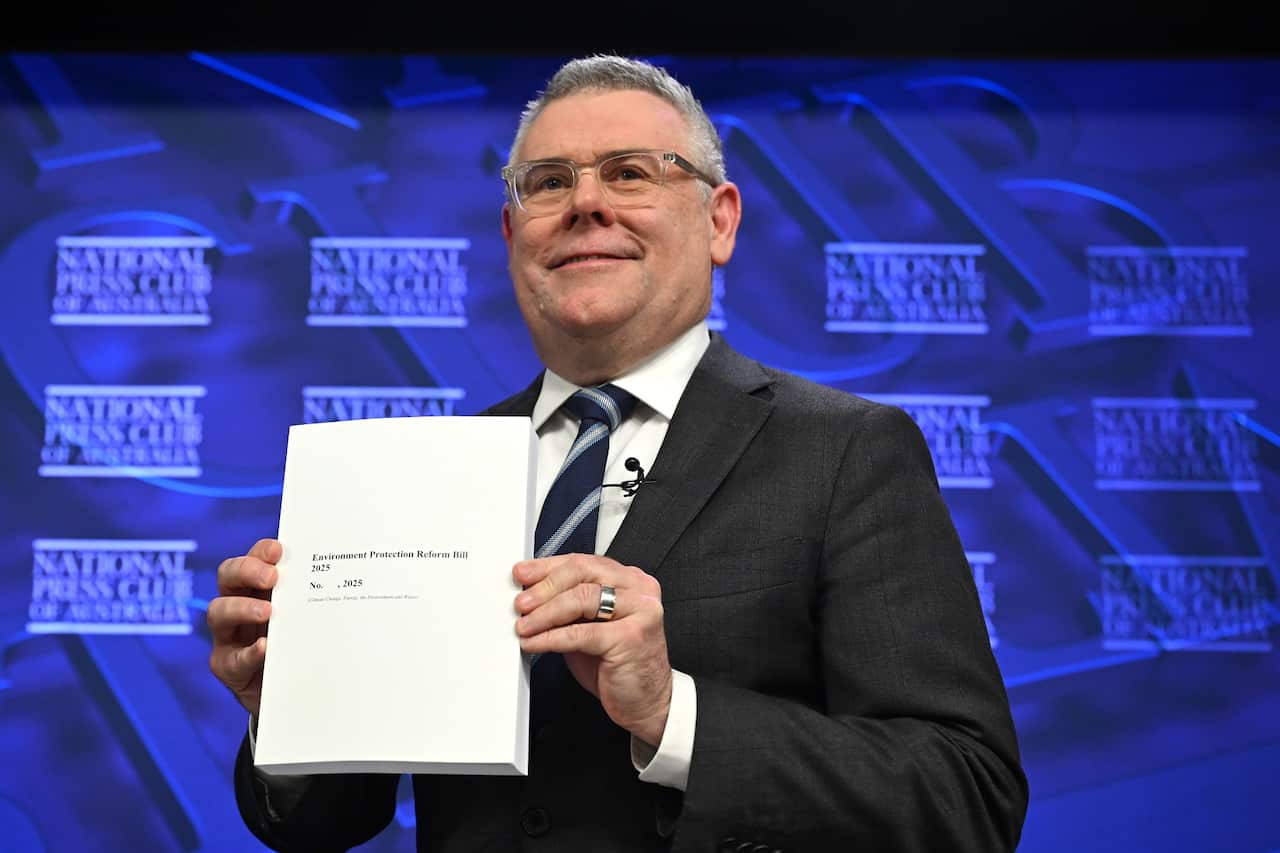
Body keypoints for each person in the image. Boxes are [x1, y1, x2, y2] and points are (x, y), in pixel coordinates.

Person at [209, 54, 1029, 852]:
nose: (586, 203)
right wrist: (281, 710)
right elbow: (322, 822)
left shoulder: (848, 451)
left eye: (631, 172)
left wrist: (675, 714)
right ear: (510, 232)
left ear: (720, 220)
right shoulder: (428, 471)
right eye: (549, 182)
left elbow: (966, 794)